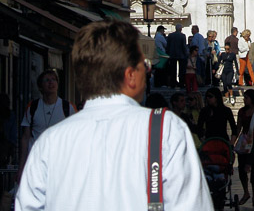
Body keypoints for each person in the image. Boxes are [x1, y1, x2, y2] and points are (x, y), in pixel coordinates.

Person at [16, 19, 212, 211]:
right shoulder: (164, 130)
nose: (148, 71)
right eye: (145, 64)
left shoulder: (49, 142)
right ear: (131, 76)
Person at [20, 70, 76, 170]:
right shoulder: (32, 107)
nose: (51, 82)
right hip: (36, 162)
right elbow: (25, 137)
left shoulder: (68, 107)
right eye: (47, 80)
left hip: (60, 163)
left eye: (54, 80)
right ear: (40, 87)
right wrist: (21, 167)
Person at [236, 88, 254, 206]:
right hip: (245, 143)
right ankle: (246, 192)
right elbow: (238, 128)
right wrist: (234, 141)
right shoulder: (242, 111)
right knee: (242, 169)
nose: (244, 100)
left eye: (246, 98)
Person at [166, 22, 189, 88]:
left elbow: (168, 45)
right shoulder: (182, 36)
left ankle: (173, 83)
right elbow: (184, 46)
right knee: (181, 70)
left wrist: (168, 53)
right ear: (180, 29)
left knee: (173, 70)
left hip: (172, 54)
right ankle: (181, 83)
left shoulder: (170, 35)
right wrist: (186, 54)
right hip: (181, 55)